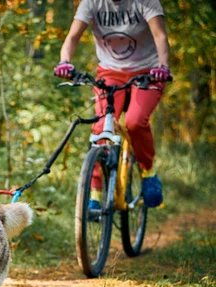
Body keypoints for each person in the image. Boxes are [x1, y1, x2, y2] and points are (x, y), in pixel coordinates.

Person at [54, 0, 171, 208]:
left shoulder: (145, 2)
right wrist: (65, 61)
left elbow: (160, 35)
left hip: (148, 72)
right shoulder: (91, 3)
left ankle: (148, 172)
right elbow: (72, 37)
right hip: (110, 72)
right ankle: (95, 195)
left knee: (135, 122)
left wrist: (163, 66)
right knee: (101, 127)